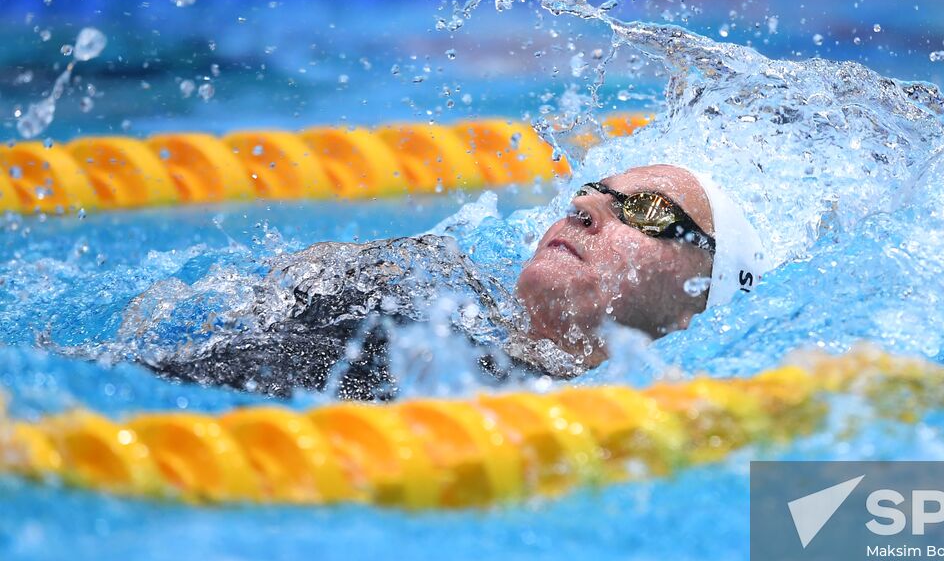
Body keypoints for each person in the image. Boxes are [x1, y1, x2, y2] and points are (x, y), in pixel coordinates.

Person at [117, 164, 772, 399]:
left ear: (698, 301)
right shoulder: (429, 303)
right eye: (593, 190)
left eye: (648, 209)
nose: (585, 207)